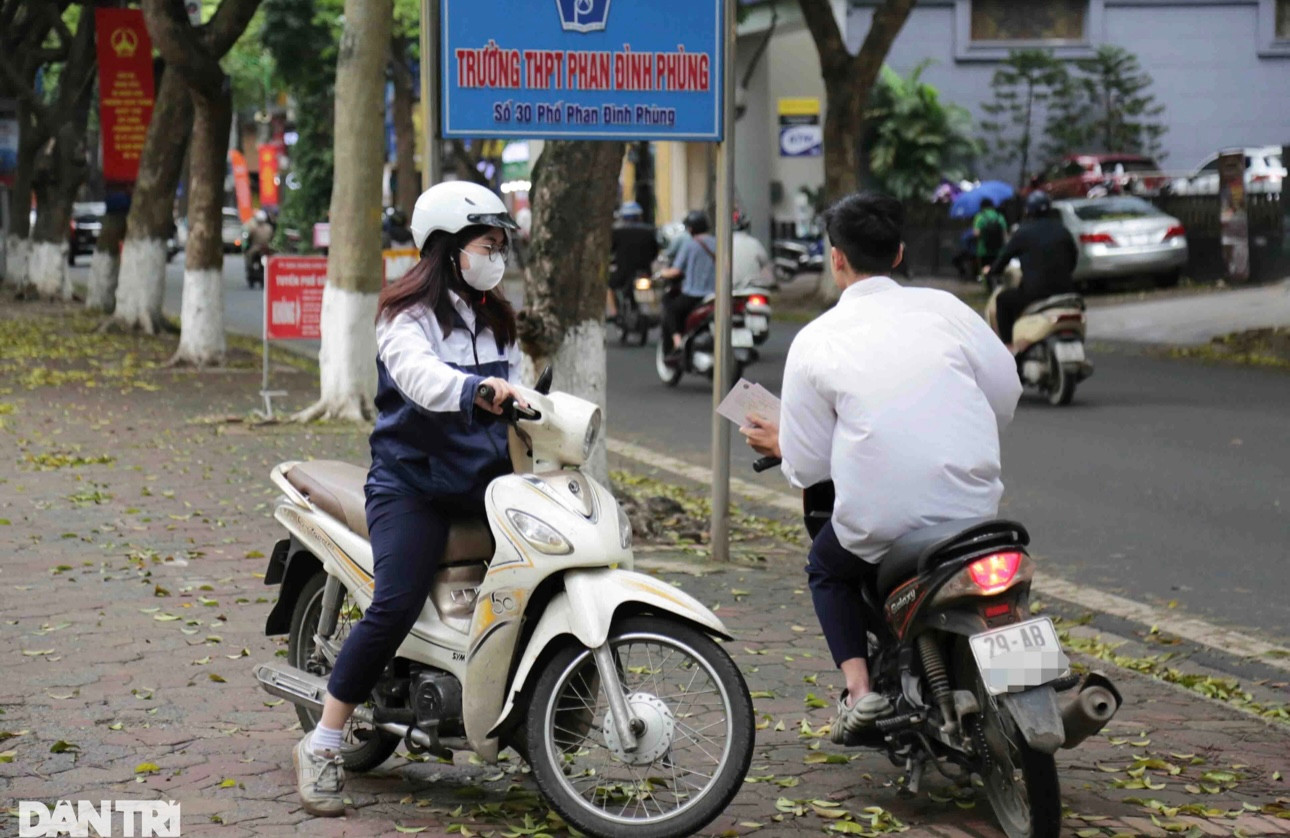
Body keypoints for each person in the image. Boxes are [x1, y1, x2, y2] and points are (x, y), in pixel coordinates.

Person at [739, 192, 1021, 744]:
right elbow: (1005, 393)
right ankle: (1032, 681)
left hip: (885, 524)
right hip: (975, 514)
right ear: (897, 254)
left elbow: (812, 464)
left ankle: (860, 692)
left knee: (826, 567)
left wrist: (784, 446)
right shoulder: (948, 311)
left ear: (836, 258)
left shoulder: (816, 339)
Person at [292, 181, 528, 817]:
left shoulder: (496, 318)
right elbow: (421, 379)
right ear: (450, 247)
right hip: (412, 485)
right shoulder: (405, 317)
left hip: (485, 484)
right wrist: (478, 390)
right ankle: (324, 739)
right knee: (393, 604)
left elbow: (526, 383)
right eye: (487, 242)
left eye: (501, 244)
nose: (496, 254)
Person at [986, 190, 1078, 348]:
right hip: (1066, 291)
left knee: (1002, 301)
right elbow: (1073, 258)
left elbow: (1003, 259)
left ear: (1028, 210)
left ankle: (1009, 348)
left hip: (1035, 293)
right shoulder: (1062, 230)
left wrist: (992, 271)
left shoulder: (1023, 232)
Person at [657, 210, 716, 363]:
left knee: (670, 307)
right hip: (714, 296)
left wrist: (662, 273)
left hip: (694, 295)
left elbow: (676, 271)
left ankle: (678, 344)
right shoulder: (717, 243)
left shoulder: (690, 245)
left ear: (691, 229)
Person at [608, 201, 659, 320]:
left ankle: (614, 313)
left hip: (623, 272)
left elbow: (611, 250)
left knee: (610, 287)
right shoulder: (649, 231)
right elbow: (654, 251)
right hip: (644, 271)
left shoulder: (617, 232)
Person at [971, 197, 1007, 279]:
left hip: (984, 250)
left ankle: (988, 286)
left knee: (985, 269)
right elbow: (1004, 234)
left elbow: (976, 233)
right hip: (999, 249)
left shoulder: (980, 217)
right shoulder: (1000, 217)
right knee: (997, 269)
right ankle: (996, 286)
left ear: (982, 207)